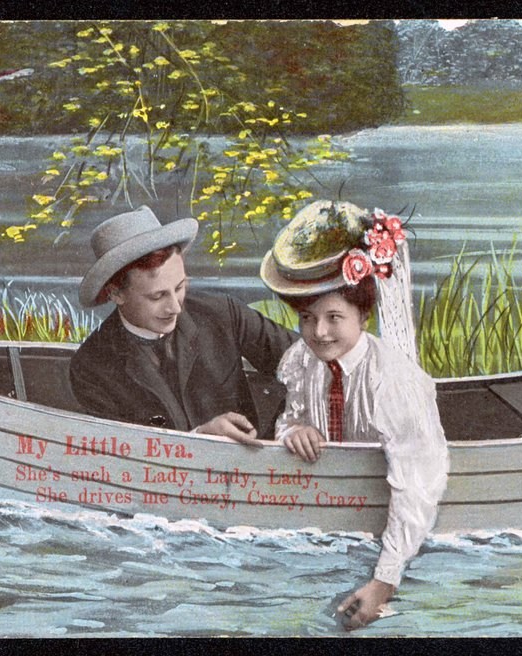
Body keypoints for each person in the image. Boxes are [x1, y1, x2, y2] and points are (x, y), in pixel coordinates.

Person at [259, 200, 449, 630]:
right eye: (307, 318)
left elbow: (417, 482)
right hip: (324, 530)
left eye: (333, 318)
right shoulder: (301, 361)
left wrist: (384, 581)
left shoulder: (393, 380)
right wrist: (294, 429)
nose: (319, 333)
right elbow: (292, 414)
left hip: (388, 541)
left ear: (364, 315)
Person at [70, 205, 297, 444]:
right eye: (157, 297)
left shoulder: (222, 313)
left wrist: (290, 426)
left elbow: (308, 359)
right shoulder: (90, 367)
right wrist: (198, 438)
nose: (176, 308)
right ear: (116, 293)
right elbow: (122, 458)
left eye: (179, 287)